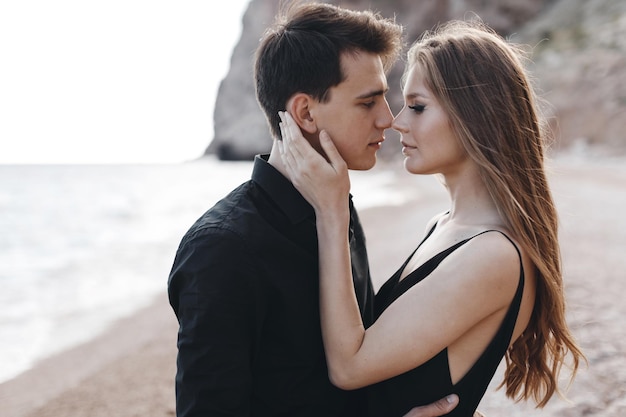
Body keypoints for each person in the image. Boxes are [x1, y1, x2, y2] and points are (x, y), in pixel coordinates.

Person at [277, 18, 586, 417]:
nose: (397, 121)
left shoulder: (493, 255)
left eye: (418, 107)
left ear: (477, 116)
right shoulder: (445, 225)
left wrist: (331, 210)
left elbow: (349, 367)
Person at [167, 2, 463, 416]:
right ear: (306, 112)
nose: (388, 119)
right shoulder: (222, 250)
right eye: (367, 103)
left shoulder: (336, 204)